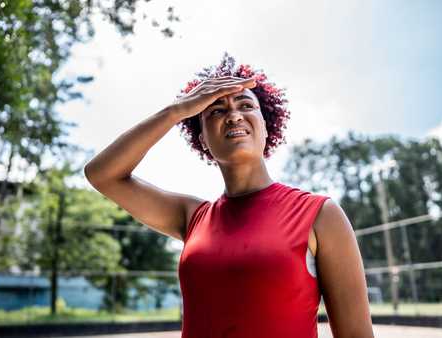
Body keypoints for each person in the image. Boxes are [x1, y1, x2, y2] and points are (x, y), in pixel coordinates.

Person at [84, 54, 374, 338]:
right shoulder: (192, 217)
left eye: (246, 105)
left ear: (265, 125)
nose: (234, 114)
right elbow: (102, 174)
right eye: (216, 110)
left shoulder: (319, 214)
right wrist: (175, 112)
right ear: (203, 141)